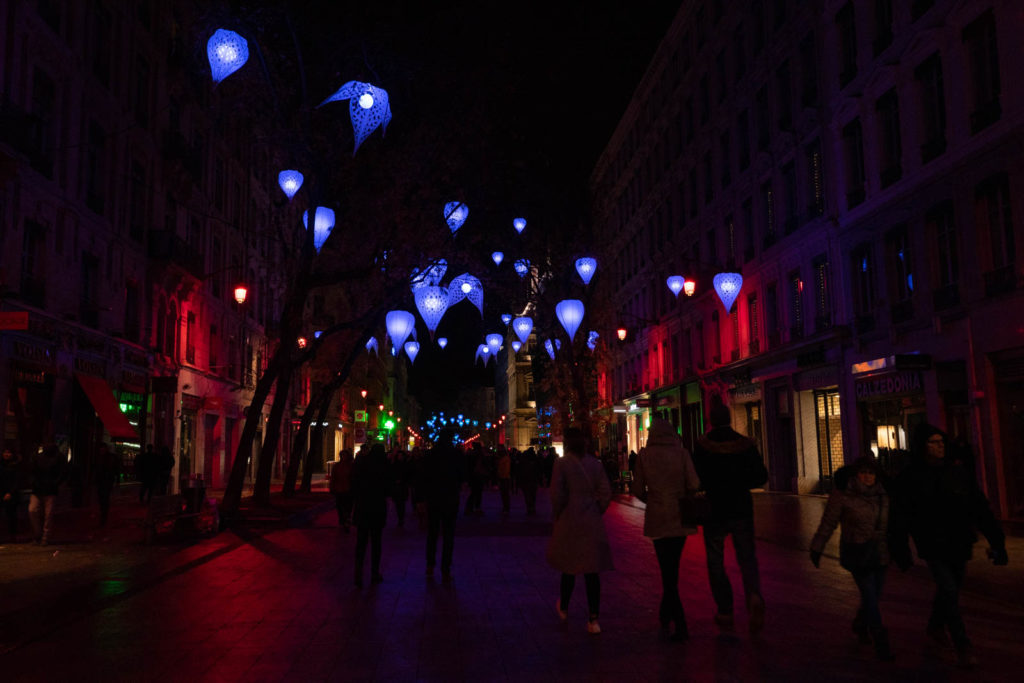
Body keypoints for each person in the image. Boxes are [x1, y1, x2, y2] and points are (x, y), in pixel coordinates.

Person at [890, 424, 1008, 669]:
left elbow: (979, 507)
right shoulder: (911, 477)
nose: (940, 446)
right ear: (923, 446)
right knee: (949, 590)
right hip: (932, 543)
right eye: (934, 442)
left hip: (959, 541)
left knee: (949, 589)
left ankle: (935, 626)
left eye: (941, 441)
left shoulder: (957, 472)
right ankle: (962, 645)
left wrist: (997, 540)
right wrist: (900, 549)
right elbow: (900, 516)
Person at [692, 400, 769, 635]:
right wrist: (740, 482)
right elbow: (760, 476)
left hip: (715, 509)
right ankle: (753, 595)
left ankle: (725, 609)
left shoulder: (703, 446)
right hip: (741, 508)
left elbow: (696, 479)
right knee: (747, 558)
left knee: (715, 560)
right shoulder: (745, 445)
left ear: (711, 420)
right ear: (729, 419)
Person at [810, 456, 895, 661]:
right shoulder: (843, 494)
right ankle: (880, 638)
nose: (867, 477)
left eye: (871, 473)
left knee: (873, 595)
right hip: (858, 552)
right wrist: (817, 546)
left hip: (880, 552)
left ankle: (860, 623)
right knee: (870, 595)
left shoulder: (883, 494)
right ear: (856, 474)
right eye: (863, 472)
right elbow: (828, 522)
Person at [633, 417, 701, 641]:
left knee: (667, 570)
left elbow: (637, 489)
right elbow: (694, 483)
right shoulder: (682, 454)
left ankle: (677, 621)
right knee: (672, 569)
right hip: (680, 515)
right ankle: (669, 615)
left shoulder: (644, 456)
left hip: (658, 516)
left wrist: (652, 499)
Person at [546, 428, 614, 634]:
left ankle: (564, 607)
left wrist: (558, 513)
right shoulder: (595, 464)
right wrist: (597, 509)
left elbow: (556, 493)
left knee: (569, 566)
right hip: (591, 518)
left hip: (570, 517)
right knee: (592, 570)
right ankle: (593, 618)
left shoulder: (562, 464)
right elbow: (606, 492)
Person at [423, 429, 464, 581]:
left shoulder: (431, 454)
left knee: (432, 533)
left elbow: (424, 476)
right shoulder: (456, 454)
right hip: (450, 498)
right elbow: (462, 475)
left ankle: (430, 564)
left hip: (434, 498)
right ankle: (445, 568)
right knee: (448, 535)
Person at [352, 443, 390, 587]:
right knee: (376, 542)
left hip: (363, 507)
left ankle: (358, 572)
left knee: (361, 542)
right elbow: (388, 488)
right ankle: (374, 572)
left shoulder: (362, 463)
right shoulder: (384, 466)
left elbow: (354, 483)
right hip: (377, 509)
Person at [28, 444, 65, 545]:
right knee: (34, 511)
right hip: (39, 489)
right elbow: (32, 471)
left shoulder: (57, 458)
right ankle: (39, 535)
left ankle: (44, 536)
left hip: (48, 489)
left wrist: (55, 483)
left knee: (47, 514)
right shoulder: (38, 457)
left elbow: (62, 472)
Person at [94, 443, 121, 526]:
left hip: (107, 480)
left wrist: (117, 479)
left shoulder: (109, 457)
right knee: (102, 498)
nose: (102, 450)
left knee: (104, 497)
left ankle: (103, 515)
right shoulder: (101, 457)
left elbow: (116, 468)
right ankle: (103, 513)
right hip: (103, 480)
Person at [1, 445, 23, 540]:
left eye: (9, 452)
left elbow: (17, 481)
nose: (7, 454)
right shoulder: (1, 464)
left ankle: (12, 535)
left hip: (12, 494)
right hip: (2, 492)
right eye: (5, 452)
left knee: (11, 514)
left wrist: (10, 493)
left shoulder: (15, 465)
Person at [330, 449, 354, 531]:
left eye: (345, 455)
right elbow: (333, 478)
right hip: (339, 489)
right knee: (340, 506)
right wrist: (332, 487)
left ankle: (346, 519)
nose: (343, 457)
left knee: (348, 506)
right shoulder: (337, 466)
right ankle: (342, 520)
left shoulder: (351, 466)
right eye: (342, 455)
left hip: (348, 489)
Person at [390, 449, 410, 528]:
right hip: (396, 487)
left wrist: (402, 480)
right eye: (399, 456)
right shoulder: (395, 464)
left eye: (401, 456)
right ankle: (400, 517)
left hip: (402, 487)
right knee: (398, 504)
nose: (400, 457)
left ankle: (401, 518)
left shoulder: (405, 465)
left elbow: (407, 475)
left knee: (401, 503)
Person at [518, 447, 540, 515]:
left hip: (526, 480)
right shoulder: (536, 460)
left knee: (527, 495)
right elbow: (538, 470)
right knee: (533, 495)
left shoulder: (524, 461)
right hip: (533, 480)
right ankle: (532, 507)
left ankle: (529, 507)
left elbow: (520, 471)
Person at [497, 446, 512, 515]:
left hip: (504, 478)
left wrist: (502, 475)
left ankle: (506, 508)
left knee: (505, 494)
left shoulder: (505, 459)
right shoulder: (504, 459)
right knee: (504, 494)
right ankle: (505, 507)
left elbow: (506, 469)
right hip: (503, 478)